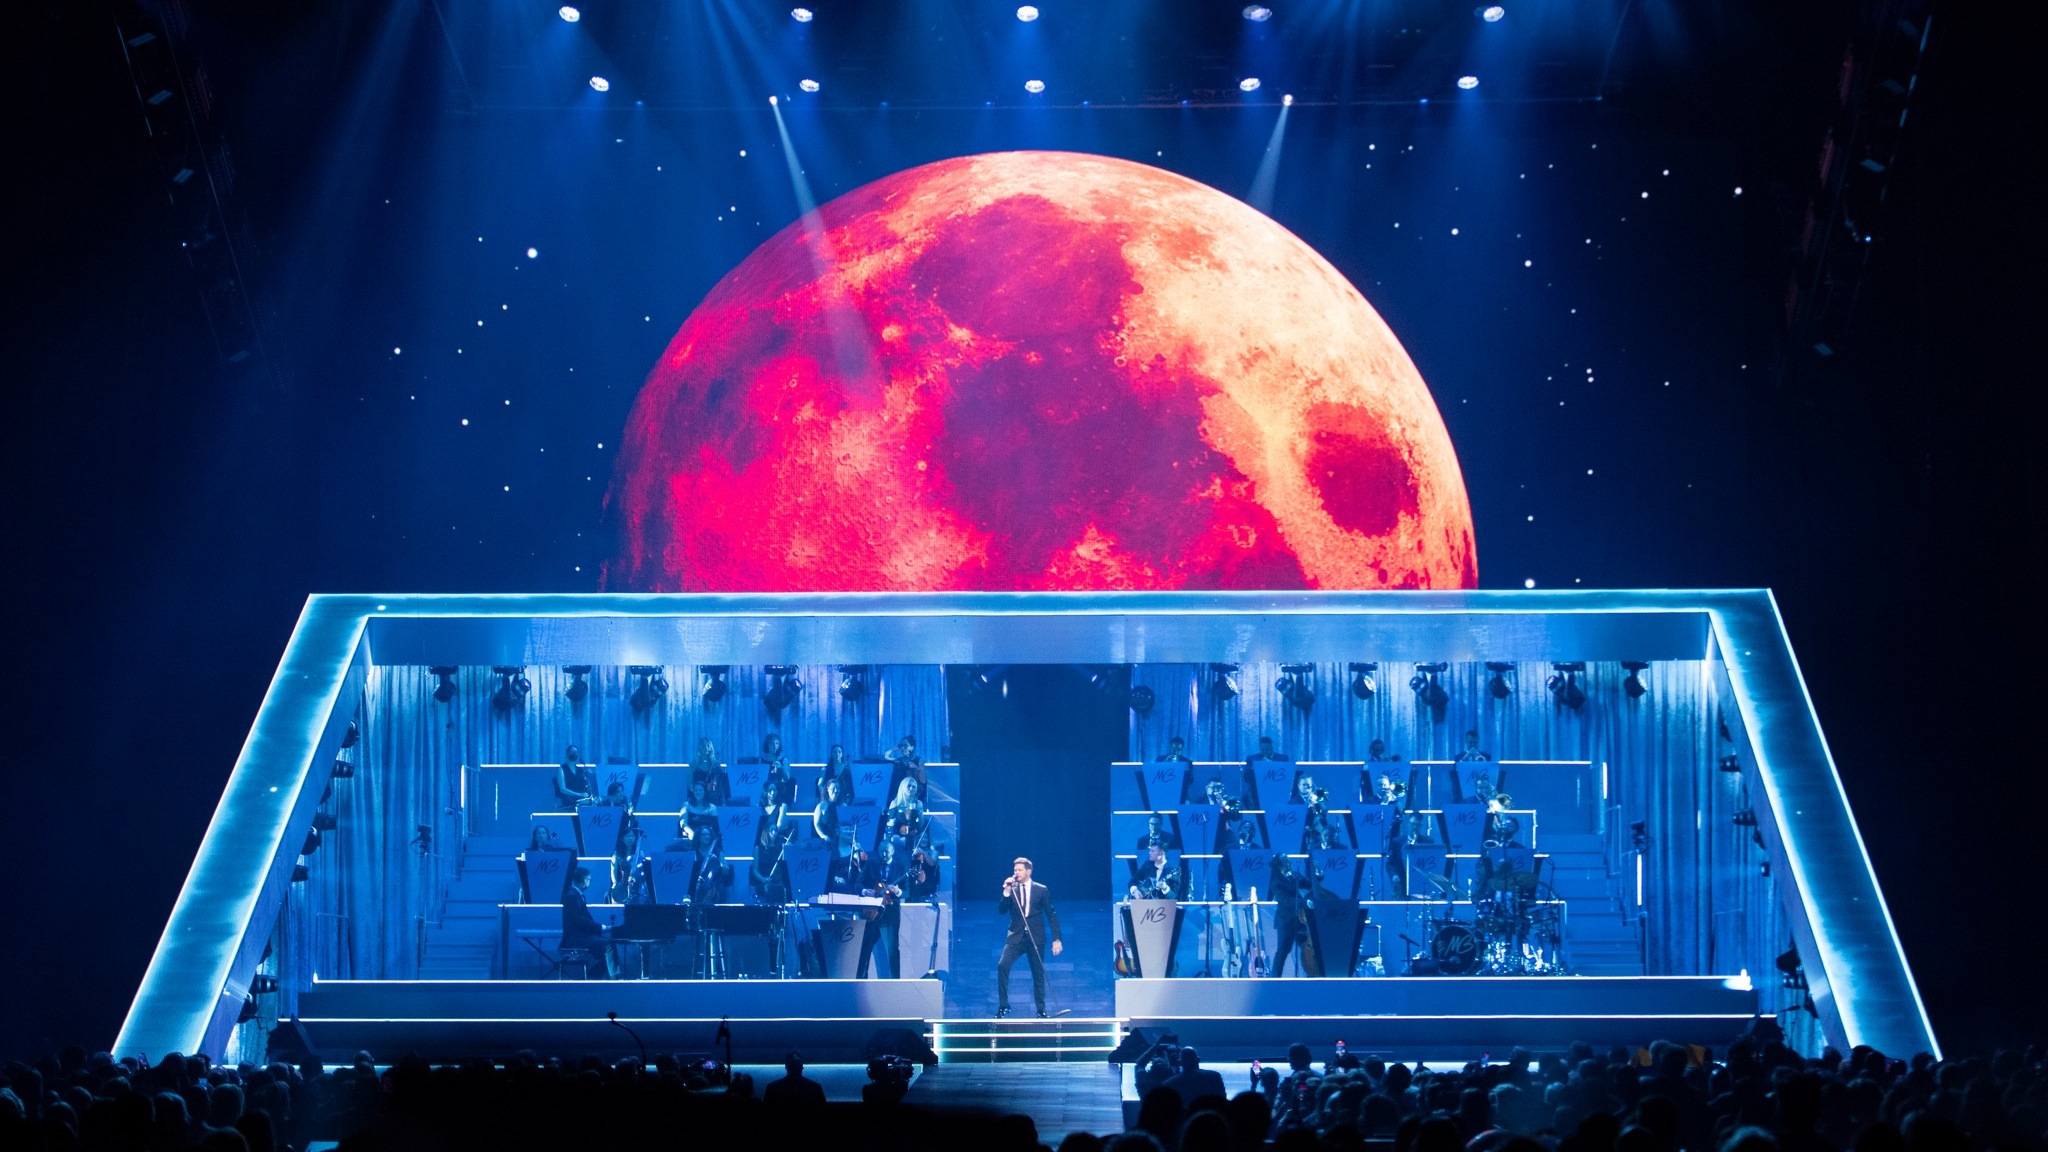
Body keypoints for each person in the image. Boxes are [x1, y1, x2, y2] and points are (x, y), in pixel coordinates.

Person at [996, 856, 1063, 1017]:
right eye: (1015, 870)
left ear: (1028, 871)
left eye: (1019, 870)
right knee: (1002, 965)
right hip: (1016, 937)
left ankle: (1041, 1010)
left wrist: (1057, 939)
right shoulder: (1012, 889)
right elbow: (1001, 910)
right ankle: (1004, 1005)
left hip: (1035, 936)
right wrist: (1006, 892)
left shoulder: (1041, 890)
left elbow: (1051, 915)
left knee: (1038, 974)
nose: (1016, 873)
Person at [559, 866, 613, 978]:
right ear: (584, 879)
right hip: (576, 938)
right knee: (608, 945)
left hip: (581, 936)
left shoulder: (575, 896)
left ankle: (591, 977)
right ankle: (614, 978)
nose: (590, 882)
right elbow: (580, 920)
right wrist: (601, 927)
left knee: (605, 952)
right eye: (589, 879)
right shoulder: (572, 897)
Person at [1270, 854, 1313, 977]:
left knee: (1308, 948)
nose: (1290, 863)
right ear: (1280, 865)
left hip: (1301, 920)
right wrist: (1303, 902)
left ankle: (1313, 974)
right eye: (1286, 861)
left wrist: (1318, 874)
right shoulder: (1276, 882)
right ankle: (1275, 979)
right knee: (1283, 951)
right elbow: (1286, 900)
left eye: (1289, 861)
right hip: (1286, 921)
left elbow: (1310, 885)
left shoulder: (1295, 875)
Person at [1160, 1047, 1227, 1109]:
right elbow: (1222, 1099)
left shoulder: (1169, 1084)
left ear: (1180, 1062)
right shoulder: (1214, 1076)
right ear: (1198, 1060)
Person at [760, 1052, 827, 1107]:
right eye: (793, 1062)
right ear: (802, 1066)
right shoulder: (814, 1088)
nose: (795, 1065)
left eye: (797, 1062)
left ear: (786, 1067)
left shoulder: (773, 1088)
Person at [609, 826, 651, 904]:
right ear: (622, 838)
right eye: (627, 836)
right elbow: (613, 869)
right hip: (622, 884)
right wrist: (614, 883)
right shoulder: (617, 853)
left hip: (637, 884)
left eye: (632, 836)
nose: (630, 838)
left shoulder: (639, 852)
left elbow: (644, 868)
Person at [885, 734, 926, 803]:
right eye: (901, 746)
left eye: (905, 746)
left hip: (914, 793)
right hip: (901, 793)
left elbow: (923, 780)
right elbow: (886, 757)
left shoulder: (918, 760)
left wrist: (916, 768)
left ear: (912, 747)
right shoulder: (899, 760)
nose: (903, 748)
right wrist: (894, 749)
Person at [690, 738, 731, 805]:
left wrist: (718, 768)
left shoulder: (715, 764)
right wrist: (698, 792)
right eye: (703, 745)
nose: (706, 748)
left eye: (708, 746)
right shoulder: (693, 764)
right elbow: (690, 784)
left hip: (712, 796)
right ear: (699, 747)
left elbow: (721, 782)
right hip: (698, 795)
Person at [552, 745, 594, 810]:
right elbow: (562, 789)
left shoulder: (580, 770)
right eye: (572, 752)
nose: (574, 754)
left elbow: (586, 785)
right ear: (567, 754)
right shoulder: (562, 769)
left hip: (582, 797)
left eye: (576, 752)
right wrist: (579, 794)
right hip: (569, 797)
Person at [759, 735, 795, 806]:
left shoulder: (784, 760)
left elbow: (786, 778)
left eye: (777, 743)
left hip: (779, 788)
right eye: (772, 743)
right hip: (765, 788)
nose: (774, 745)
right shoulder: (761, 760)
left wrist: (780, 768)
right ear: (767, 745)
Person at [683, 780, 719, 850]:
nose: (698, 792)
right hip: (690, 837)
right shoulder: (686, 805)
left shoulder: (712, 807)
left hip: (707, 838)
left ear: (705, 791)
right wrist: (691, 833)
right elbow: (683, 823)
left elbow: (714, 826)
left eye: (700, 790)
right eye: (696, 790)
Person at [812, 775, 847, 847]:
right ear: (827, 789)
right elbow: (816, 824)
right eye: (833, 788)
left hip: (840, 840)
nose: (836, 791)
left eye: (838, 788)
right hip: (826, 840)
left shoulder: (843, 806)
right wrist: (823, 835)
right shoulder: (820, 806)